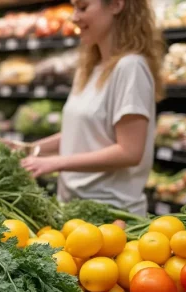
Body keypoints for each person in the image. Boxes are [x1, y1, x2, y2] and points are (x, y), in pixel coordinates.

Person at [19, 0, 163, 216]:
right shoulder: (89, 68)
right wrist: (28, 149)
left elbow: (130, 152)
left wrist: (56, 163)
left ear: (115, 5)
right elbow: (82, 135)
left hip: (112, 216)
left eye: (83, 8)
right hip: (72, 208)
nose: (74, 17)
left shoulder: (130, 67)